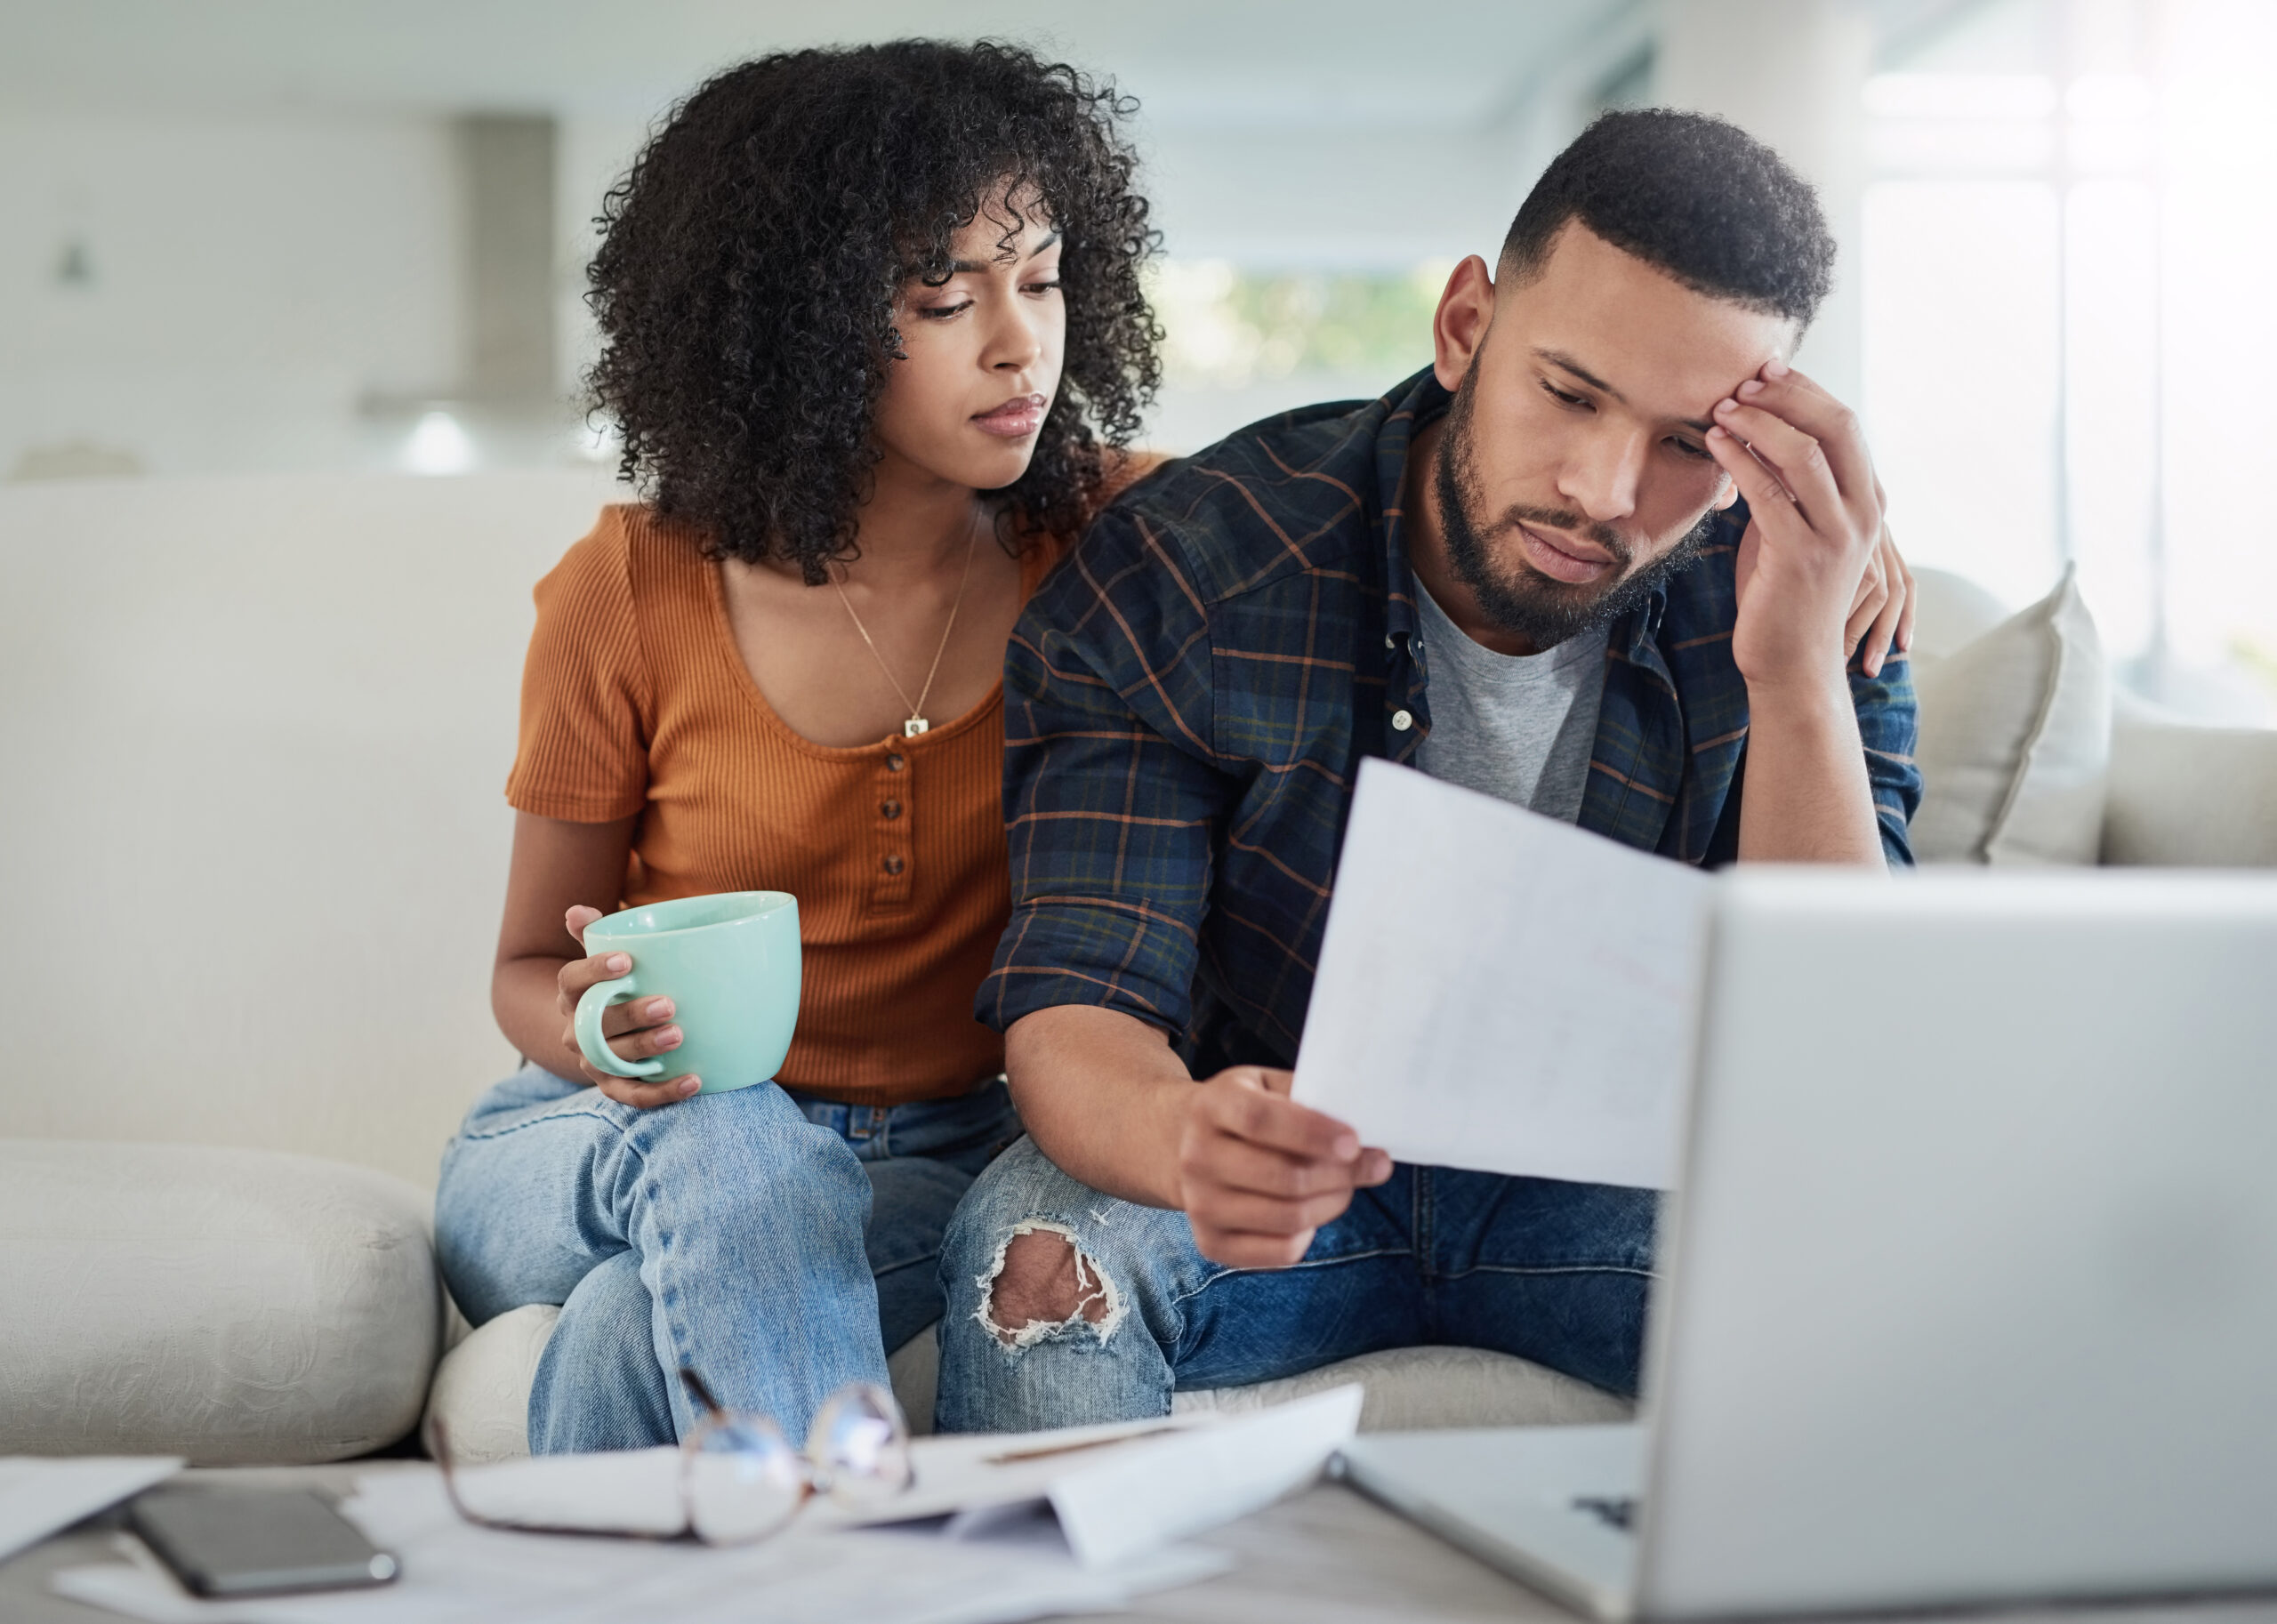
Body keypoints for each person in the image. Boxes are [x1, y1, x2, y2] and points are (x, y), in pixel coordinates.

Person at [934, 109, 1922, 1432]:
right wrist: (1191, 1137)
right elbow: (1078, 1002)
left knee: (1898, 1281)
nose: (1604, 489)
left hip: (1612, 1192)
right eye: (1568, 393)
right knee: (1037, 1249)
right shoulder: (1194, 567)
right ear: (1465, 326)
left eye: (1689, 442)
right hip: (1292, 1163)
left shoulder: (1808, 591)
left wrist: (1794, 672)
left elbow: (1849, 1065)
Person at [432, 40, 1160, 1453]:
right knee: (730, 1131)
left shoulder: (1111, 542)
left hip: (934, 1153)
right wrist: (602, 1030)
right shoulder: (629, 589)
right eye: (946, 297)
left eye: (1045, 276)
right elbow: (524, 972)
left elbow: (1362, 502)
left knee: (621, 1336)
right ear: (799, 328)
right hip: (585, 1137)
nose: (1021, 341)